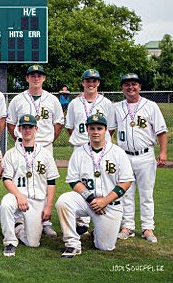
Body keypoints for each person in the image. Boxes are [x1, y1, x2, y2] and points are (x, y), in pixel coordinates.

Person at [56, 114, 134, 258]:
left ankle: (97, 233)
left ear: (106, 130)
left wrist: (105, 201)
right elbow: (73, 180)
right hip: (87, 201)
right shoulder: (79, 152)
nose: (96, 132)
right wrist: (92, 199)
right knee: (63, 201)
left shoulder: (118, 153)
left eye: (99, 128)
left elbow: (126, 181)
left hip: (110, 204)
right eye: (92, 128)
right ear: (87, 130)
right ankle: (72, 244)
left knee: (105, 247)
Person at [6, 64, 64, 237]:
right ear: (27, 78)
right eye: (32, 75)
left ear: (44, 78)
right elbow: (11, 123)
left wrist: (49, 140)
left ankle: (45, 221)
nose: (36, 78)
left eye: (39, 75)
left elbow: (59, 123)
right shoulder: (18, 99)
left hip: (44, 146)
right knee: (20, 179)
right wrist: (20, 138)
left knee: (45, 183)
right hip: (23, 146)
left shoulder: (52, 99)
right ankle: (19, 218)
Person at [114, 73, 168, 243]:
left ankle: (147, 228)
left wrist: (163, 152)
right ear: (122, 88)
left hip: (145, 155)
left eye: (134, 84)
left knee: (146, 194)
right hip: (124, 156)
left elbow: (161, 131)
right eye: (127, 84)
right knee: (126, 193)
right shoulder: (116, 107)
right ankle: (128, 226)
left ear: (140, 87)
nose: (131, 87)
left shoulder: (150, 106)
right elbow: (108, 131)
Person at [64, 69, 116, 235]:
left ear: (98, 83)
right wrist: (83, 141)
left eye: (94, 80)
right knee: (80, 181)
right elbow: (70, 127)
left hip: (100, 149)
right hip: (80, 147)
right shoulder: (74, 103)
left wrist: (98, 142)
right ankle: (82, 221)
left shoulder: (106, 103)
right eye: (88, 80)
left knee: (101, 181)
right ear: (83, 82)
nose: (91, 83)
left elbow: (111, 128)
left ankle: (101, 215)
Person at [0, 114, 59, 257]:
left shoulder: (45, 154)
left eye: (30, 127)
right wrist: (19, 196)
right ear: (19, 129)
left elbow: (51, 182)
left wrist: (48, 206)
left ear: (36, 129)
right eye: (24, 127)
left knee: (33, 243)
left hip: (37, 199)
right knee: (6, 204)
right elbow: (6, 179)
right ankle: (9, 242)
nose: (27, 130)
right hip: (18, 196)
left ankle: (19, 228)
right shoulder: (11, 153)